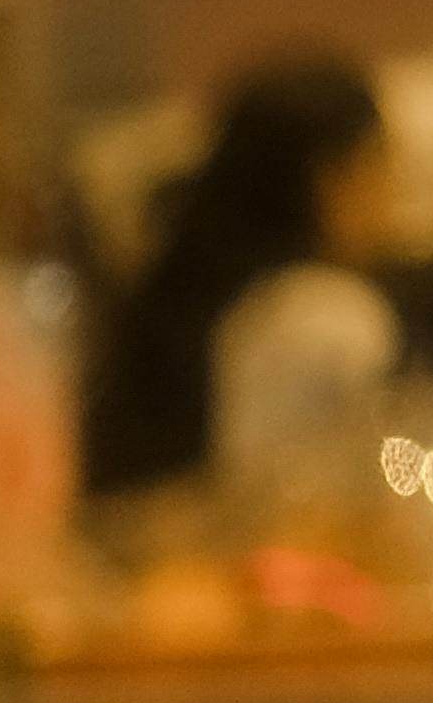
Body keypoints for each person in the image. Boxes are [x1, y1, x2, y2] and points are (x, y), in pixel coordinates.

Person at [77, 50, 397, 500]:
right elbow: (318, 503)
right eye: (381, 166)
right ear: (329, 179)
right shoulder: (326, 315)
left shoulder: (182, 291)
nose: (394, 195)